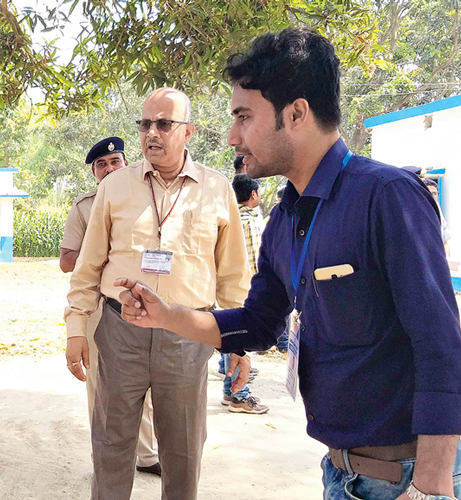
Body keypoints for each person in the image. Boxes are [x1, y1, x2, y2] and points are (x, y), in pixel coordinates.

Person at [114, 28, 461, 500]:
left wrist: (431, 486)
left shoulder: (386, 197)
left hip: (407, 476)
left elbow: (440, 341)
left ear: (296, 113)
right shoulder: (285, 218)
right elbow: (258, 324)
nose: (233, 135)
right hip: (341, 473)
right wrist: (165, 315)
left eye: (243, 116)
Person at [65, 87, 250, 500]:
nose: (152, 133)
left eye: (163, 124)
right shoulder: (115, 187)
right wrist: (76, 326)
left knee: (183, 454)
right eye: (145, 124)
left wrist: (239, 343)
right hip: (119, 333)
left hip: (188, 337)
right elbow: (88, 265)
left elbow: (234, 277)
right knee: (111, 448)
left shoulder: (217, 190)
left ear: (188, 132)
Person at [60, 137, 160, 476]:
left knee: (144, 385)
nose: (108, 168)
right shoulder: (84, 207)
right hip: (100, 305)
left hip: (143, 303)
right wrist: (99, 251)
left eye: (114, 161)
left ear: (125, 162)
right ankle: (103, 457)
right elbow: (66, 260)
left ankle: (146, 455)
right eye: (101, 165)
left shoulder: (146, 197)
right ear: (94, 172)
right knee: (102, 388)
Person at [216, 174, 269, 414]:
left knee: (231, 336)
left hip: (228, 287)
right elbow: (255, 259)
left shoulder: (229, 217)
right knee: (239, 341)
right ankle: (239, 395)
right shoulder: (248, 220)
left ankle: (230, 390)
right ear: (253, 195)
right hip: (246, 288)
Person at [423, 178, 451, 257]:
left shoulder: (439, 212)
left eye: (434, 194)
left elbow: (444, 242)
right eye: (428, 193)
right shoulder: (414, 212)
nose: (432, 197)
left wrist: (447, 262)